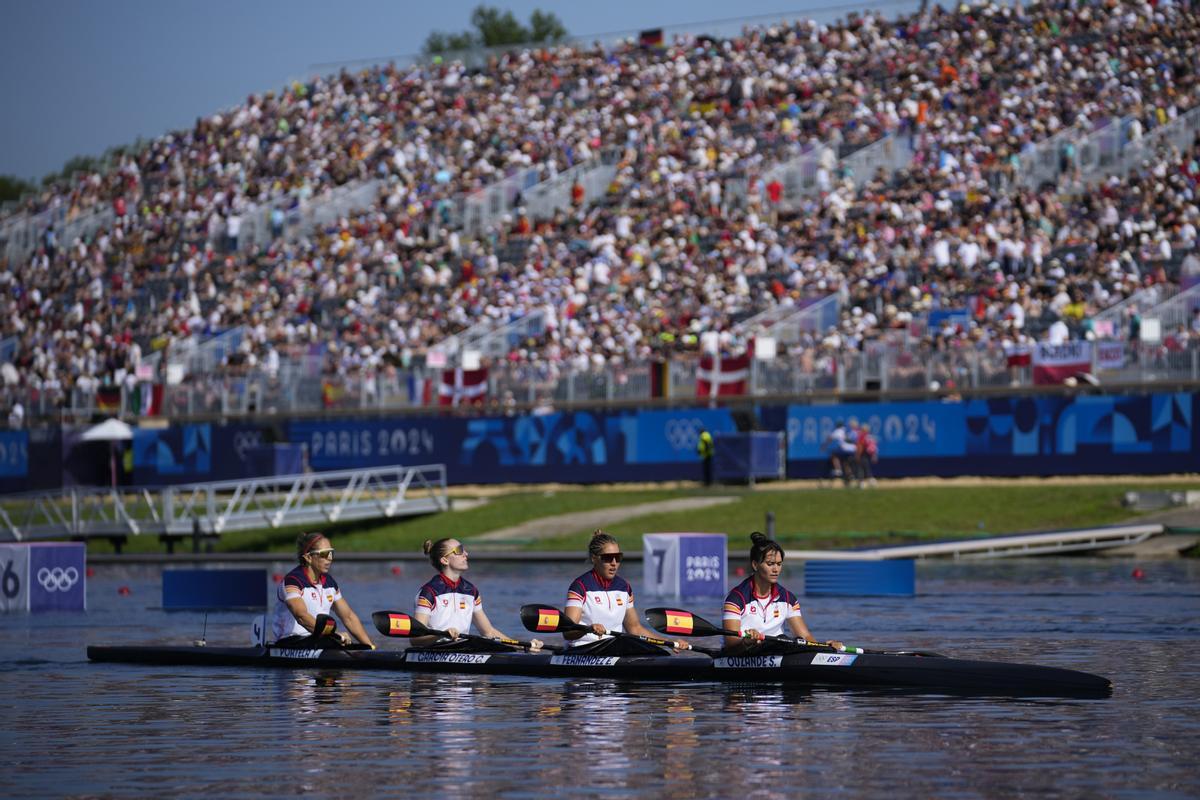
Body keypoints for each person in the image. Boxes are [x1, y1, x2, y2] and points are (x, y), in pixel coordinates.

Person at [564, 530, 687, 655]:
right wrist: (588, 629)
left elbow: (634, 628)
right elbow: (568, 632)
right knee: (626, 643)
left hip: (615, 647)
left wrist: (668, 642)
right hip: (584, 649)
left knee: (659, 653)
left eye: (618, 558)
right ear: (594, 559)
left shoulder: (624, 587)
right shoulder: (580, 587)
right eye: (608, 558)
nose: (614, 563)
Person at [722, 532, 842, 653]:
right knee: (782, 640)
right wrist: (747, 641)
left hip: (779, 649)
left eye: (779, 564)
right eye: (770, 564)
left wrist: (822, 647)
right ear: (755, 565)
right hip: (745, 652)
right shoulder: (736, 599)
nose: (776, 569)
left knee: (794, 641)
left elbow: (805, 637)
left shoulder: (788, 598)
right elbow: (731, 643)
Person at [413, 537, 540, 650]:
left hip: (462, 648)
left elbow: (488, 632)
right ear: (445, 560)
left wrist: (522, 646)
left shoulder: (470, 591)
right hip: (435, 650)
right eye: (459, 550)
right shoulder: (429, 592)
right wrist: (441, 634)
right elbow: (416, 639)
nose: (466, 554)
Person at [270, 531, 375, 648]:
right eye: (325, 554)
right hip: (290, 641)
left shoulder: (329, 583)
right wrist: (334, 636)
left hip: (320, 639)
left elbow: (348, 617)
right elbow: (301, 616)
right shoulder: (293, 581)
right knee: (335, 642)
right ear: (309, 557)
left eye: (331, 553)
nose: (330, 559)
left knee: (360, 647)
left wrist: (370, 647)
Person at [855, 423, 878, 488]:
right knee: (866, 467)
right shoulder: (870, 436)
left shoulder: (862, 436)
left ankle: (862, 483)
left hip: (863, 454)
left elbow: (860, 446)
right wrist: (874, 455)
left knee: (861, 468)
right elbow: (874, 447)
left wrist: (858, 455)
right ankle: (870, 481)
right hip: (868, 454)